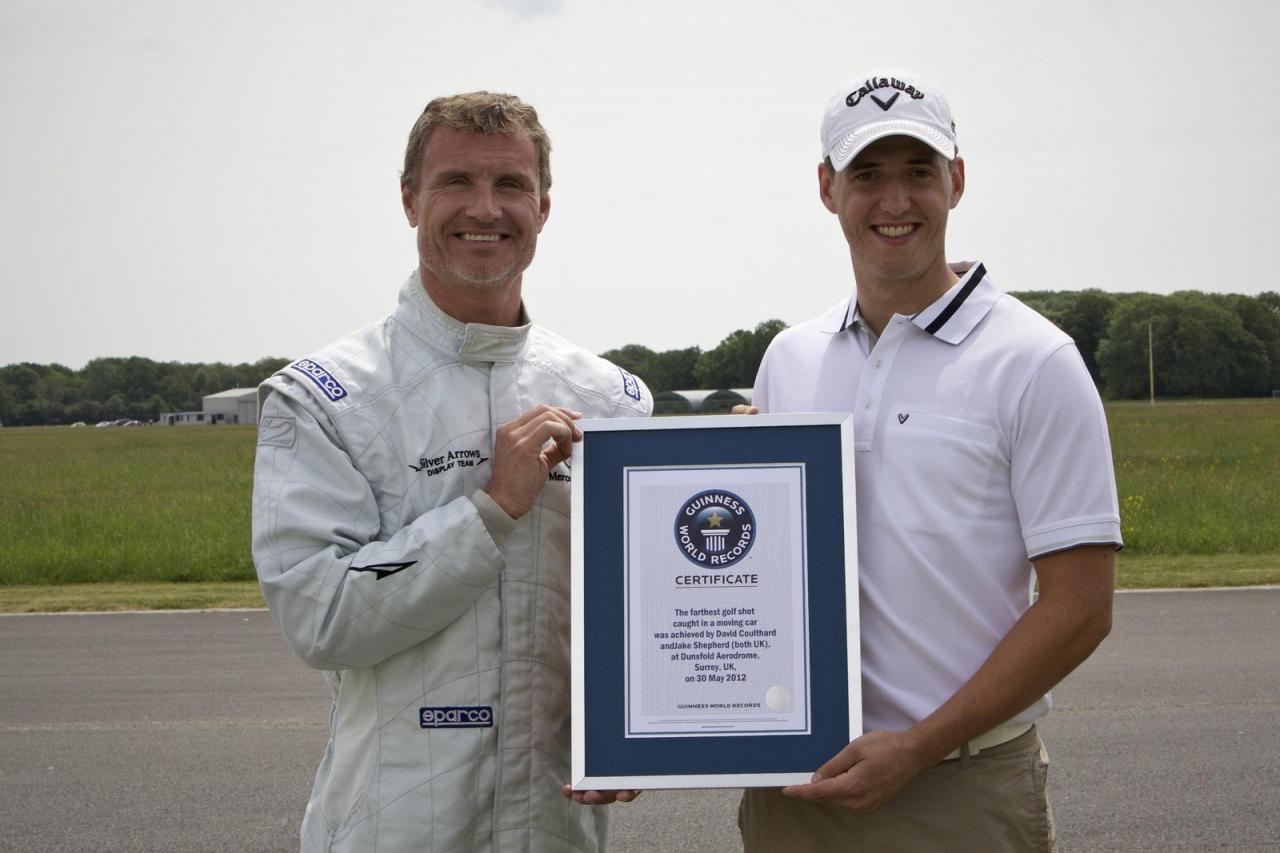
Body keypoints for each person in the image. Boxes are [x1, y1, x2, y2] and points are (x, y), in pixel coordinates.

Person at [735, 70, 1123, 851]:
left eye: (919, 171)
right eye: (867, 174)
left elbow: (1081, 604)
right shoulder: (790, 358)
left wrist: (918, 745)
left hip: (960, 785)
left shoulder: (1035, 359)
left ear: (958, 178)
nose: (895, 200)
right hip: (794, 791)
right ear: (826, 188)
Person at [252, 92, 649, 853]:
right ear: (410, 199)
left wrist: (640, 734)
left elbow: (641, 620)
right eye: (456, 182)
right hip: (389, 829)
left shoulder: (611, 399)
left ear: (544, 205)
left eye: (509, 186)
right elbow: (321, 617)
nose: (485, 209)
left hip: (557, 826)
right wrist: (489, 509)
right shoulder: (327, 396)